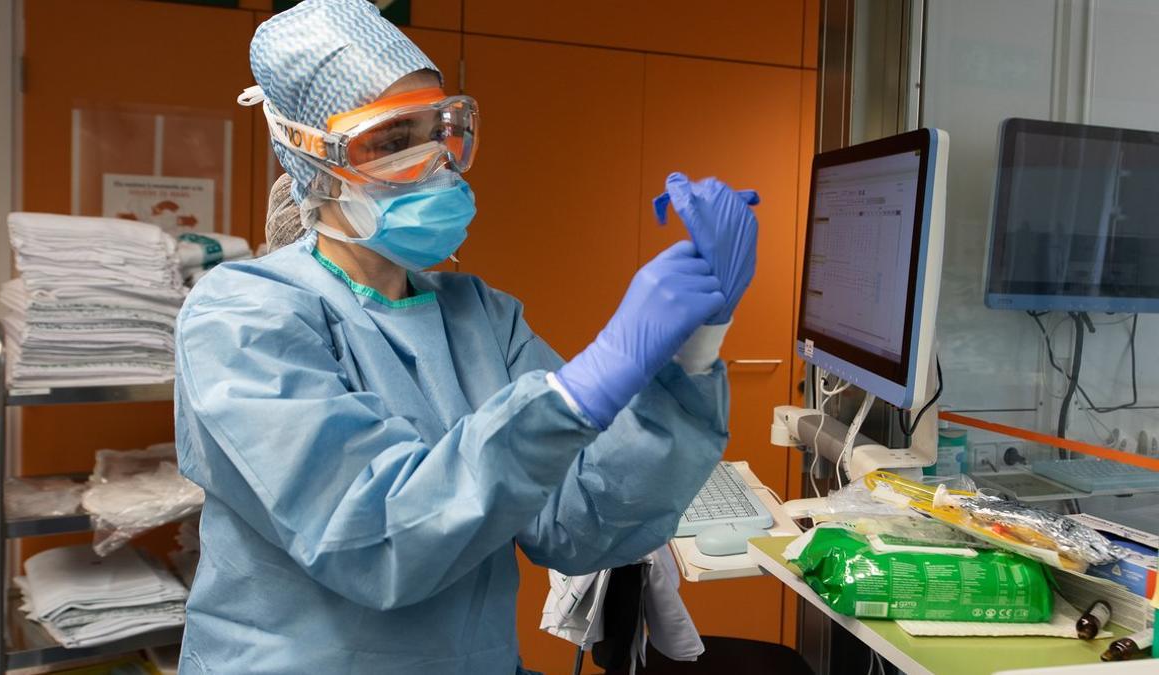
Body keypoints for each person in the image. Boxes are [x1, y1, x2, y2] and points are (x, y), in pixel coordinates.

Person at [173, 1, 759, 673]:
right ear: (313, 158)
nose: (434, 166)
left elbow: (580, 519)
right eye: (394, 142)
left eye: (439, 132)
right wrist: (577, 391)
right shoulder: (239, 318)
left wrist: (697, 342)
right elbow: (373, 538)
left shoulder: (479, 316)